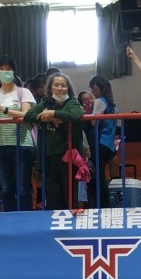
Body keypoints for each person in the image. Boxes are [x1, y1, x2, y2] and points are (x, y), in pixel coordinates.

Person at [22, 73, 84, 211]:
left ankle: (71, 219)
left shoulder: (72, 103)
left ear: (68, 88)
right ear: (50, 88)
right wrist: (45, 117)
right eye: (56, 85)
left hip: (68, 155)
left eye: (63, 85)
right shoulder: (45, 103)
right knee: (52, 192)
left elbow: (75, 114)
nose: (60, 88)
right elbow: (28, 116)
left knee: (69, 192)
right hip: (49, 155)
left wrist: (53, 114)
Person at [0, 56, 37, 211]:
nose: (4, 72)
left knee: (23, 188)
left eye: (8, 69)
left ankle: (26, 218)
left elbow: (25, 114)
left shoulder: (23, 92)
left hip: (22, 145)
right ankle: (10, 219)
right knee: (6, 188)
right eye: (1, 69)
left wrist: (2, 109)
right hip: (0, 145)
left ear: (14, 71)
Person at [87, 76, 118, 209]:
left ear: (96, 87)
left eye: (92, 89)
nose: (92, 92)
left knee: (98, 178)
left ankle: (102, 206)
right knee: (101, 177)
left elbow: (93, 122)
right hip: (110, 145)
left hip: (100, 144)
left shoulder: (100, 101)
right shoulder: (113, 105)